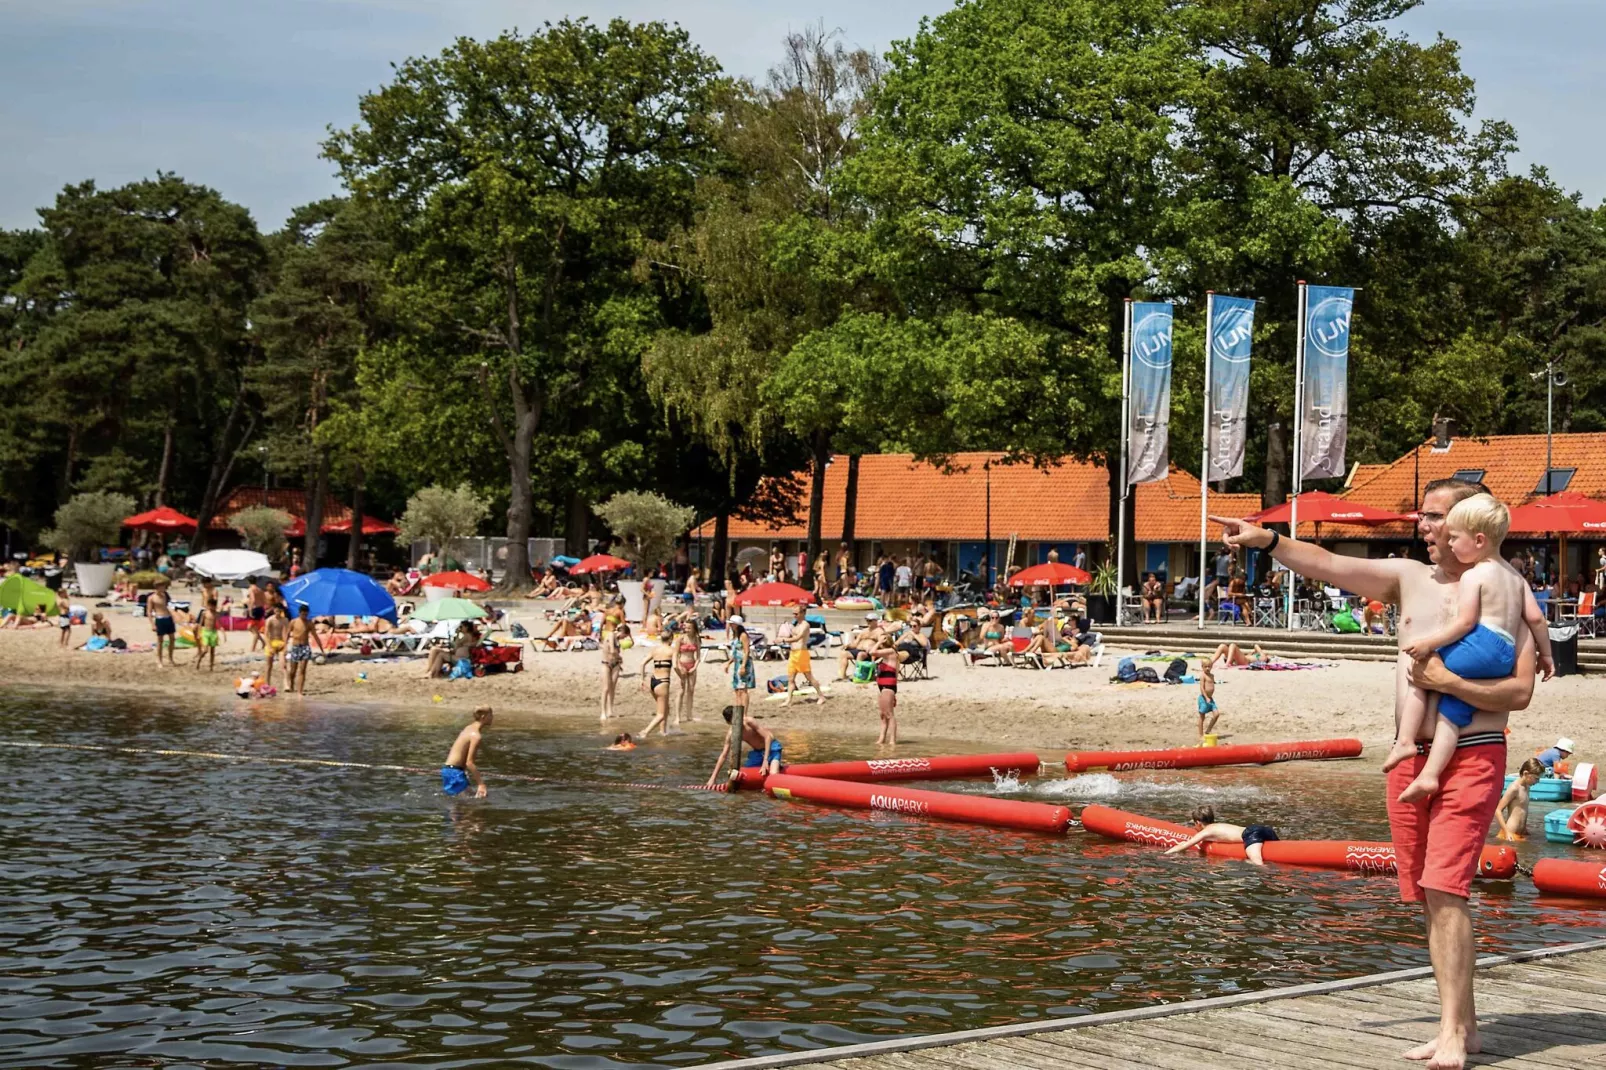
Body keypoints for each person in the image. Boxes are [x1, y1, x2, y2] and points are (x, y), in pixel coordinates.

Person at [1212, 475, 1538, 1070]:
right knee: (1427, 894)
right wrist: (1266, 542)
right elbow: (1329, 563)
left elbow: (1519, 691)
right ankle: (1462, 1024)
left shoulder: (1504, 591)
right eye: (1424, 515)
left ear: (1472, 524)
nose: (1424, 525)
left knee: (1447, 889)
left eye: (1435, 516)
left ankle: (1452, 1036)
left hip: (1474, 751)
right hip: (1408, 756)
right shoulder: (1408, 578)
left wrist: (1448, 684)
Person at [1389, 494, 1553, 804]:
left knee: (1421, 671)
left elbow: (1464, 624)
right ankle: (1431, 775)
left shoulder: (1474, 574)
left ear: (1478, 540)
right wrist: (1545, 655)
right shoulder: (1516, 578)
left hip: (1480, 642)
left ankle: (1406, 741)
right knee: (1453, 709)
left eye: (1454, 538)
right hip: (1504, 653)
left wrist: (1428, 644)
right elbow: (1535, 618)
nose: (1449, 544)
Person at [1164, 805, 1279, 866]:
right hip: (1262, 829)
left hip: (1251, 834)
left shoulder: (1206, 831)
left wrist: (1165, 854)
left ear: (1198, 823)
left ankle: (1274, 882)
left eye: (1194, 824)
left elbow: (1184, 845)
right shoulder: (1217, 825)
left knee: (1257, 863)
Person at [706, 705, 782, 786]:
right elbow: (723, 755)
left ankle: (775, 766)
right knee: (746, 776)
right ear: (728, 722)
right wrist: (712, 778)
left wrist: (765, 761)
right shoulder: (731, 734)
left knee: (773, 773)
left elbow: (768, 737)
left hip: (772, 748)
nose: (739, 723)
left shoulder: (749, 722)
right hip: (757, 753)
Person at [442, 706, 492, 798]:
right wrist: (481, 784)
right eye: (490, 714)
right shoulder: (476, 736)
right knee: (462, 806)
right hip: (454, 772)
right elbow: (469, 762)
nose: (492, 717)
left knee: (468, 799)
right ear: (483, 716)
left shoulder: (468, 728)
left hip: (451, 770)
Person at [1493, 758, 1547, 841]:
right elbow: (1498, 810)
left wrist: (1524, 829)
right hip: (1510, 834)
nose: (1537, 781)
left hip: (1520, 834)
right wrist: (1506, 832)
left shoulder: (1527, 787)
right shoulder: (1514, 788)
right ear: (1526, 773)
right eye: (1536, 778)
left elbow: (1521, 810)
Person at [784, 605, 826, 706]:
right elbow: (792, 637)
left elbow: (798, 638)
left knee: (809, 677)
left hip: (801, 653)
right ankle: (788, 700)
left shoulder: (805, 625)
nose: (794, 616)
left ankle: (821, 696)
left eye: (796, 613)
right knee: (791, 678)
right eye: (793, 613)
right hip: (793, 653)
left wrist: (783, 640)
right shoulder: (796, 625)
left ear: (803, 613)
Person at [638, 629, 677, 737]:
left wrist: (641, 679)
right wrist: (682, 675)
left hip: (653, 681)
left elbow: (642, 664)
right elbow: (675, 666)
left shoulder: (655, 650)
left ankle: (662, 731)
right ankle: (645, 732)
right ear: (671, 639)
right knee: (661, 714)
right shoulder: (672, 650)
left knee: (665, 709)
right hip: (663, 682)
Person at [285, 604, 324, 695]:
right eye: (303, 614)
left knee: (302, 670)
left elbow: (315, 636)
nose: (304, 616)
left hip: (305, 647)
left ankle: (300, 691)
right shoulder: (293, 622)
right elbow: (287, 634)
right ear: (299, 613)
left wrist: (321, 648)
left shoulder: (309, 623)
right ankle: (291, 685)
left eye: (306, 614)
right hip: (295, 647)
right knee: (293, 671)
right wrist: (284, 647)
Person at [673, 618, 702, 723]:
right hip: (682, 664)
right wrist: (679, 666)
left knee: (691, 691)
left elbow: (698, 657)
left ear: (694, 628)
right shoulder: (680, 639)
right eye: (686, 627)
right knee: (681, 691)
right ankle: (677, 717)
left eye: (689, 628)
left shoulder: (696, 639)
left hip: (692, 664)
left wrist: (695, 667)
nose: (687, 629)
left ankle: (689, 715)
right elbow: (675, 654)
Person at [727, 616, 755, 719]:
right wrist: (729, 663)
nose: (730, 625)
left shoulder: (743, 635)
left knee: (743, 689)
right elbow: (735, 652)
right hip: (737, 663)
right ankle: (739, 711)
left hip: (744, 663)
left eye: (732, 623)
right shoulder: (735, 636)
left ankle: (744, 713)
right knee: (737, 689)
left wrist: (743, 665)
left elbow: (746, 651)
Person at [599, 622, 627, 722]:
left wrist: (619, 661)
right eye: (625, 636)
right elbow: (612, 650)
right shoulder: (611, 635)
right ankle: (603, 712)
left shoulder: (618, 640)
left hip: (615, 664)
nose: (624, 638)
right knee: (606, 688)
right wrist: (620, 657)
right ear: (622, 632)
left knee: (612, 688)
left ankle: (610, 711)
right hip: (606, 663)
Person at [873, 641, 899, 745]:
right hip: (882, 686)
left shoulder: (891, 652)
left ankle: (892, 740)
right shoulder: (885, 657)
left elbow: (872, 652)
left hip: (888, 686)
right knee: (882, 714)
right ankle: (882, 738)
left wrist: (878, 642)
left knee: (889, 714)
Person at [148, 578, 176, 666]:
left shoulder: (164, 595)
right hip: (159, 618)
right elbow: (149, 612)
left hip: (168, 617)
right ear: (157, 587)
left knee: (172, 638)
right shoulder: (151, 597)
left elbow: (167, 606)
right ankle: (159, 660)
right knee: (160, 641)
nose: (164, 588)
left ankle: (170, 658)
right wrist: (152, 624)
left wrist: (174, 615)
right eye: (162, 587)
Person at [262, 605, 289, 688]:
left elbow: (285, 634)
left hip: (280, 642)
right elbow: (266, 635)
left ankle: (286, 684)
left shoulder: (285, 620)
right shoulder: (270, 620)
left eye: (279, 611)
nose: (277, 612)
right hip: (271, 642)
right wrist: (269, 646)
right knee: (269, 665)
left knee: (283, 664)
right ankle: (267, 684)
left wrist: (285, 645)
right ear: (274, 610)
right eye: (276, 610)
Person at [194, 598, 220, 672]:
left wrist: (221, 632)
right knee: (205, 650)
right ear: (208, 605)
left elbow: (218, 623)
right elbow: (200, 623)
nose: (212, 607)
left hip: (213, 632)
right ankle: (198, 661)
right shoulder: (204, 613)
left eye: (213, 606)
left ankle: (211, 666)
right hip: (205, 631)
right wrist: (199, 633)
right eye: (210, 606)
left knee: (212, 651)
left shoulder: (216, 614)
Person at [1197, 658, 1219, 740]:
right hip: (1203, 698)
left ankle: (1208, 730)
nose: (1207, 668)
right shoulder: (1203, 676)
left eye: (1209, 666)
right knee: (1202, 717)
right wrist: (1206, 697)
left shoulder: (1212, 676)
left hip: (1210, 699)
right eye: (1205, 667)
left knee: (1216, 714)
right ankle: (1200, 735)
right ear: (1202, 667)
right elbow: (1202, 688)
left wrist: (1209, 697)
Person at [247, 579, 267, 652]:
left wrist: (250, 610)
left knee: (253, 630)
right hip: (260, 608)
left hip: (255, 609)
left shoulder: (251, 589)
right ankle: (263, 642)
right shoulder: (260, 589)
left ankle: (252, 649)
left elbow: (253, 600)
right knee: (250, 628)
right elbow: (264, 600)